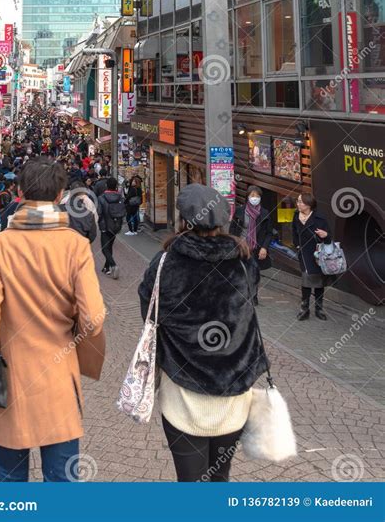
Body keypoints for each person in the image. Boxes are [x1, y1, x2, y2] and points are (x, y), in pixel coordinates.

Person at [0, 158, 106, 482]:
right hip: (59, 382)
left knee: (11, 483)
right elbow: (94, 318)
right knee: (61, 482)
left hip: (10, 384)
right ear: (59, 196)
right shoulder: (76, 246)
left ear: (20, 191)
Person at [138, 183, 268, 482]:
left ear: (184, 220)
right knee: (220, 475)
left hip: (182, 389)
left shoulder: (166, 262)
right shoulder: (243, 260)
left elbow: (150, 313)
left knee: (190, 482)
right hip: (234, 387)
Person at [229, 185, 273, 303]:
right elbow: (232, 229)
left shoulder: (264, 213)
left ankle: (253, 296)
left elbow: (269, 233)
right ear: (247, 197)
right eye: (252, 196)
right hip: (241, 247)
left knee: (254, 272)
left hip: (256, 248)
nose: (255, 198)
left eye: (257, 196)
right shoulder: (239, 211)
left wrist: (264, 247)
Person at [292, 192, 331, 321]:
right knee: (306, 280)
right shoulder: (296, 216)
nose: (298, 204)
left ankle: (319, 309)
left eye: (301, 202)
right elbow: (294, 232)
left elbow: (328, 238)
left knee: (319, 282)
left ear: (308, 204)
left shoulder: (320, 218)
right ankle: (304, 309)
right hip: (304, 253)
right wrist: (297, 245)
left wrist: (325, 236)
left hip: (318, 254)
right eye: (297, 201)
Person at [97, 177, 126, 279]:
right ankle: (106, 267)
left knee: (104, 248)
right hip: (116, 225)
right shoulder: (120, 197)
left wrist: (98, 221)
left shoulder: (101, 198)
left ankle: (113, 265)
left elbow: (99, 212)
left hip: (105, 225)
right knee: (109, 246)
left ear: (106, 185)